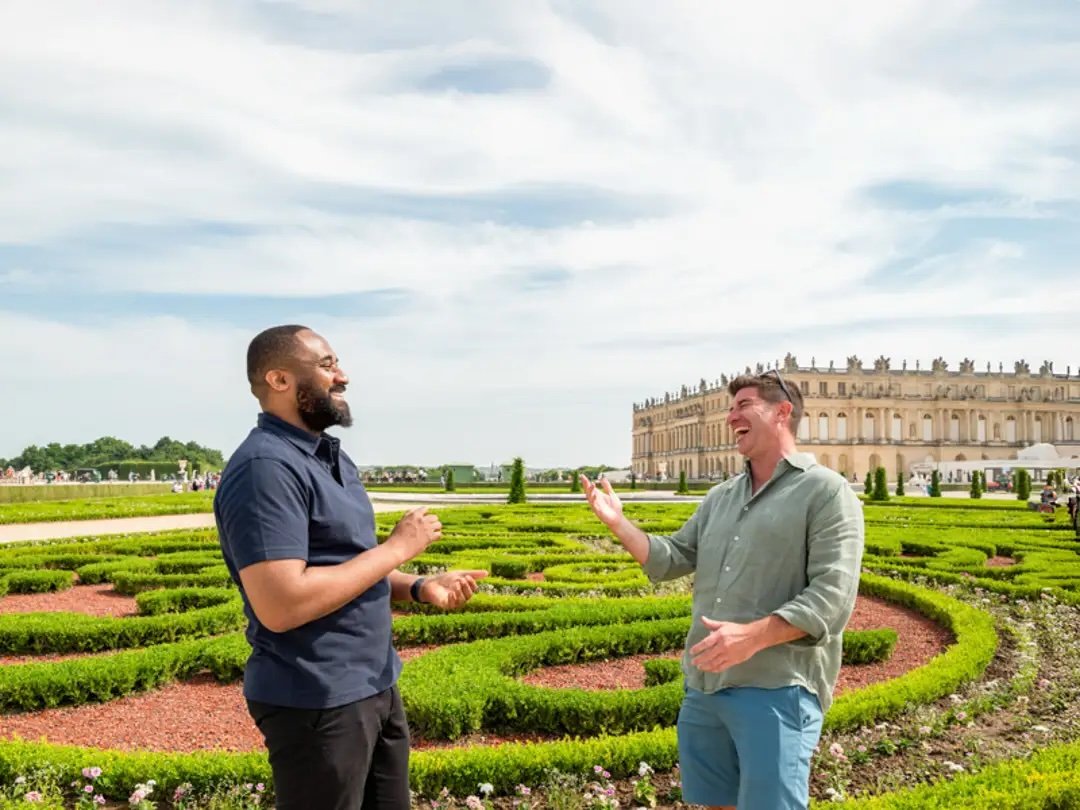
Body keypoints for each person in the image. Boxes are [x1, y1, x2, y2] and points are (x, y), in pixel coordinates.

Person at [215, 325, 486, 810]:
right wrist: (399, 548)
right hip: (315, 698)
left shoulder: (330, 459)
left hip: (373, 683)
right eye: (326, 364)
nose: (342, 375)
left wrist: (420, 586)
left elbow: (347, 566)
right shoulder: (265, 468)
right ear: (278, 379)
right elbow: (281, 603)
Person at [581, 370, 864, 810]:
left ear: (783, 412)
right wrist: (617, 522)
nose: (730, 417)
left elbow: (832, 598)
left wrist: (750, 637)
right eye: (730, 408)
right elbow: (671, 557)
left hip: (776, 689)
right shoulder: (721, 496)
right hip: (706, 687)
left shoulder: (826, 492)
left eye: (743, 406)